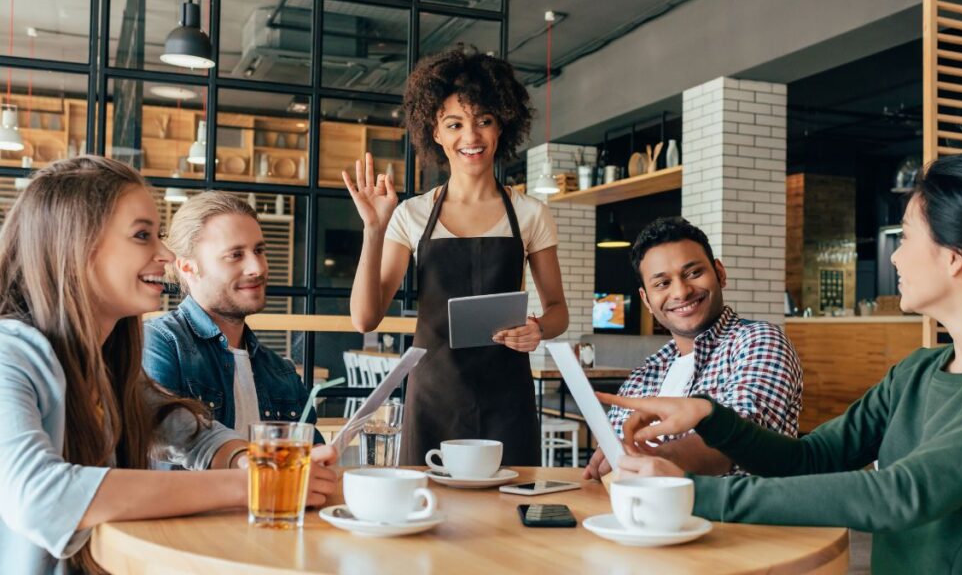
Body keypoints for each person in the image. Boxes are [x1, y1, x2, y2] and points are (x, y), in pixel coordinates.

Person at [598, 153, 962, 573]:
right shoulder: (915, 373)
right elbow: (810, 458)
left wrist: (685, 494)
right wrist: (710, 416)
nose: (894, 256)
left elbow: (901, 494)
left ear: (954, 255)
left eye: (906, 237)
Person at [0, 157, 337, 574]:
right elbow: (39, 496)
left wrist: (245, 460)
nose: (165, 254)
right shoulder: (8, 354)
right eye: (143, 236)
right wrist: (256, 484)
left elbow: (186, 430)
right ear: (76, 246)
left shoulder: (106, 359)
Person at [347, 46, 569, 466]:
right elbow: (364, 318)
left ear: (501, 126)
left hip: (508, 395)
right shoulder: (411, 215)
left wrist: (538, 327)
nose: (471, 137)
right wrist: (374, 230)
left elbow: (559, 310)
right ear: (435, 132)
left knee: (508, 516)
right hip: (434, 394)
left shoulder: (530, 214)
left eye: (484, 121)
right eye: (455, 124)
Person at [583, 217, 802, 479]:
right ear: (647, 300)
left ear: (719, 273)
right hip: (641, 514)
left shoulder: (759, 341)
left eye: (693, 273)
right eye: (662, 283)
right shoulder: (646, 374)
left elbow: (744, 439)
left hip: (734, 518)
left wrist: (653, 460)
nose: (681, 291)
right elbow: (615, 458)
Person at [144, 192, 324, 443]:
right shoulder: (160, 343)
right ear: (187, 267)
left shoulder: (281, 372)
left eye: (259, 250)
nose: (258, 268)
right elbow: (162, 447)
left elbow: (310, 464)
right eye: (235, 255)